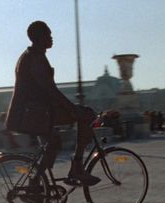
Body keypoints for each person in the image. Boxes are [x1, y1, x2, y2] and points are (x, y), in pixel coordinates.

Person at [6, 21, 100, 186]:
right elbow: (50, 90)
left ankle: (35, 184)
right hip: (33, 114)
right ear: (40, 38)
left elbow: (47, 91)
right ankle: (77, 168)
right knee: (85, 115)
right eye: (48, 35)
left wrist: (69, 108)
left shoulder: (34, 56)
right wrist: (72, 109)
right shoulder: (35, 58)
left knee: (54, 144)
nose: (51, 38)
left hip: (34, 112)